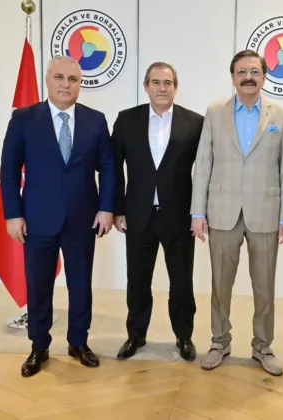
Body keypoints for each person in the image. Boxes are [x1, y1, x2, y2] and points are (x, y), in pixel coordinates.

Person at [0, 55, 116, 378]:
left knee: (80, 285)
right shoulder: (24, 119)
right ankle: (39, 346)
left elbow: (108, 168)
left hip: (83, 219)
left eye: (73, 79)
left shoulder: (95, 120)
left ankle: (78, 342)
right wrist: (13, 214)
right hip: (37, 220)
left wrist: (106, 207)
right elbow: (9, 171)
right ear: (48, 80)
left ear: (80, 84)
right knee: (38, 287)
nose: (66, 84)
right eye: (60, 78)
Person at [190, 50, 283, 376]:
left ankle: (263, 345)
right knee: (220, 284)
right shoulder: (215, 112)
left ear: (264, 76)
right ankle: (219, 341)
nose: (248, 77)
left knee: (264, 286)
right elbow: (203, 162)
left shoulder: (280, 115)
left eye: (254, 71)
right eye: (241, 72)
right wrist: (197, 211)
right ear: (233, 77)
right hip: (222, 212)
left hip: (266, 212)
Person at [111, 62, 204, 362]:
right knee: (138, 279)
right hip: (137, 215)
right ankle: (136, 334)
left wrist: (199, 212)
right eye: (155, 82)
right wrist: (117, 209)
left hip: (179, 216)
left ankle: (184, 336)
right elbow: (114, 168)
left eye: (167, 83)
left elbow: (205, 171)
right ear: (146, 86)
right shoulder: (127, 120)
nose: (162, 88)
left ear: (175, 87)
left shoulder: (195, 123)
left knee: (181, 280)